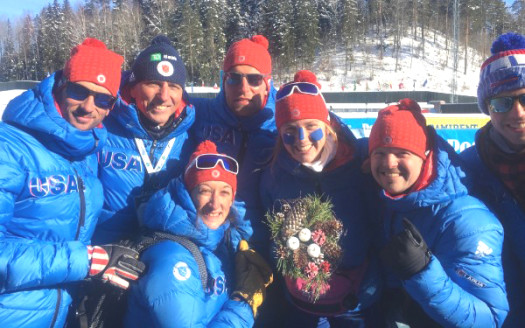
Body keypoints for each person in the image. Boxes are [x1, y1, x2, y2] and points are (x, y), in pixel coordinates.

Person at [0, 38, 143, 328]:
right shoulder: (9, 148)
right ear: (61, 84)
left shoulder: (85, 151)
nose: (88, 107)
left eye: (103, 99)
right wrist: (87, 261)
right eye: (80, 91)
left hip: (59, 312)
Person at [369, 98, 508, 327]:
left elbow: (490, 319)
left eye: (402, 153)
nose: (389, 163)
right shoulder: (390, 200)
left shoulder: (468, 222)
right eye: (380, 152)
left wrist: (423, 272)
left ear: (425, 156)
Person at [259, 70, 382, 327]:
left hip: (357, 300)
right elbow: (270, 235)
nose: (301, 140)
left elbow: (382, 225)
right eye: (290, 131)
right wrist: (287, 254)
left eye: (311, 128)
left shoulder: (359, 162)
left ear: (327, 126)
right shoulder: (274, 175)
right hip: (302, 301)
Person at [125, 140, 273, 328]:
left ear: (233, 200)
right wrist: (244, 302)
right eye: (204, 191)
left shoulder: (221, 242)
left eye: (224, 192)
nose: (215, 204)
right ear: (187, 193)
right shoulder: (172, 257)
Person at [94, 35, 195, 245]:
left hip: (163, 246)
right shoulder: (101, 125)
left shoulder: (191, 135)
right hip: (106, 247)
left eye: (174, 86)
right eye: (153, 84)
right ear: (132, 88)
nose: (164, 96)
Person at [460, 32, 525, 327]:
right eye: (502, 103)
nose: (518, 113)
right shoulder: (467, 169)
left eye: (524, 98)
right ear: (487, 108)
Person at [190, 35, 277, 252]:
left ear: (267, 84)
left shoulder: (284, 126)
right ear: (223, 80)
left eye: (254, 79)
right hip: (203, 233)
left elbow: (328, 134)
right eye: (234, 78)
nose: (243, 88)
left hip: (258, 242)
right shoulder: (201, 113)